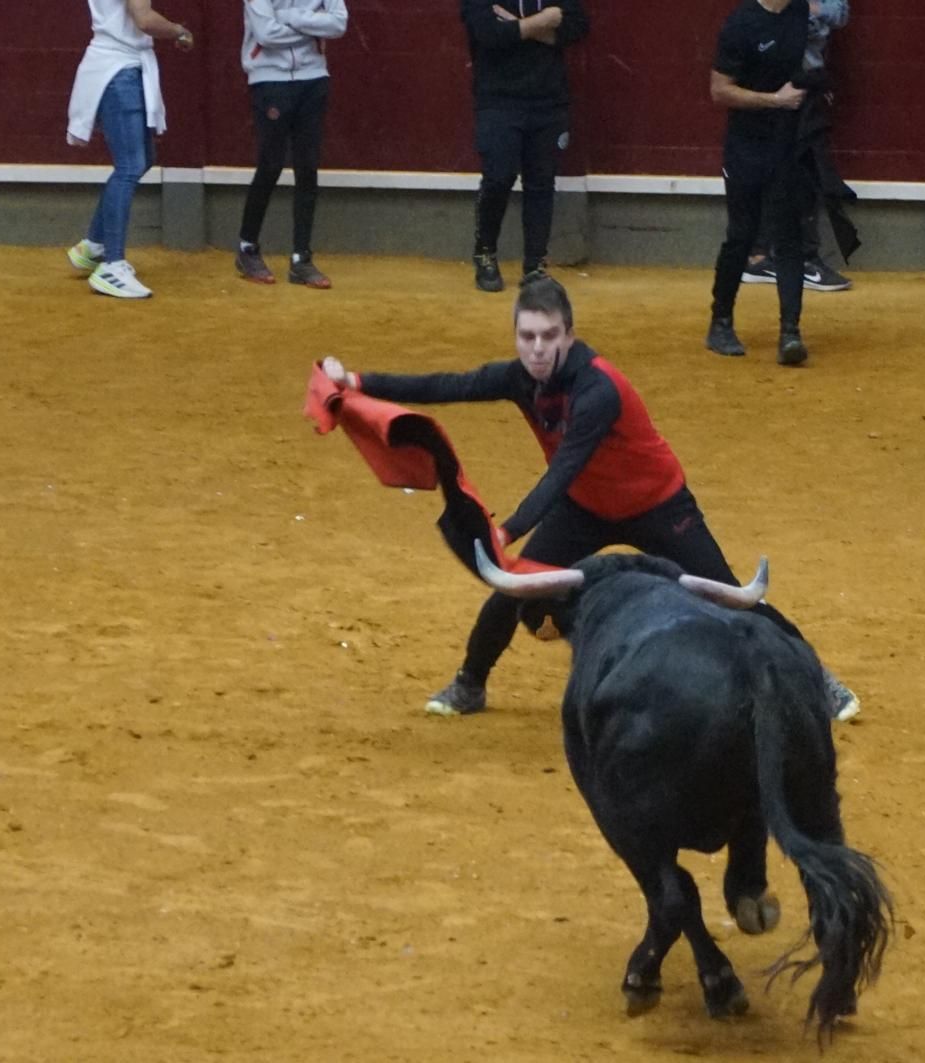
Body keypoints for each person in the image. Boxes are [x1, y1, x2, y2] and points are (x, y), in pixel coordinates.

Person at [317, 277, 862, 721]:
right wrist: (358, 381)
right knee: (515, 586)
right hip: (585, 507)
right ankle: (470, 684)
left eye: (548, 336)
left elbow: (562, 470)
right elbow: (447, 386)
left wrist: (506, 532)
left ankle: (819, 680)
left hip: (657, 504)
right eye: (527, 336)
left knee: (730, 595)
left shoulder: (597, 390)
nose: (536, 349)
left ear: (569, 336)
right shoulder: (519, 379)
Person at [706, 0, 813, 366]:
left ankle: (790, 332)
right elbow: (719, 90)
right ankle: (720, 322)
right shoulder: (740, 24)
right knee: (742, 233)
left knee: (788, 234)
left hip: (786, 144)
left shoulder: (799, 11)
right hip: (746, 146)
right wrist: (775, 101)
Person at [65, 0, 194, 300]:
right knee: (129, 166)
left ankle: (94, 244)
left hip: (118, 66)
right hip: (119, 71)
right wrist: (180, 32)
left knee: (142, 159)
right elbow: (144, 19)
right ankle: (112, 266)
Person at [460, 0, 590, 293]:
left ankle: (534, 265)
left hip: (548, 99)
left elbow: (578, 27)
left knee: (542, 183)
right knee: (498, 176)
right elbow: (489, 35)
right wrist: (545, 20)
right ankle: (485, 252)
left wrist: (517, 26)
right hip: (498, 99)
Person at [233, 0, 349, 289]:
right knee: (270, 165)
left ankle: (301, 259)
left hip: (314, 79)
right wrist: (311, 24)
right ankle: (247, 248)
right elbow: (266, 34)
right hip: (270, 79)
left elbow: (339, 23)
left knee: (308, 168)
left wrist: (290, 17)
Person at [741, 0, 853, 293]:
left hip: (807, 84)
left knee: (798, 169)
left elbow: (839, 13)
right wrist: (811, 14)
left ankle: (770, 254)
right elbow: (776, 26)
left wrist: (806, 14)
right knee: (793, 170)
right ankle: (789, 257)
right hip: (773, 84)